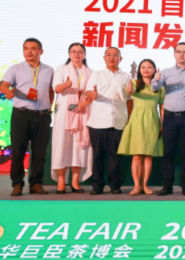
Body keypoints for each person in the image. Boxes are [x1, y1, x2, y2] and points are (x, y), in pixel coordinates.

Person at [0, 38, 54, 196]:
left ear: (41, 51)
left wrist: (49, 106)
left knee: (40, 152)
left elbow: (50, 90)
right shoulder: (15, 69)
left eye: (33, 48)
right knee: (18, 151)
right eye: (26, 48)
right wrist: (8, 92)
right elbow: (4, 85)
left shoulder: (49, 70)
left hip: (42, 116)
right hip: (21, 115)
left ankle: (36, 184)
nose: (29, 51)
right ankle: (17, 184)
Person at [151, 42, 185, 196]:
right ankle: (167, 186)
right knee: (168, 152)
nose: (182, 55)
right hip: (170, 117)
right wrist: (156, 79)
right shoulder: (165, 73)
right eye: (179, 51)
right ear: (174, 54)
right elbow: (154, 88)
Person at [85, 47, 131, 195]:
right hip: (98, 121)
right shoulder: (96, 74)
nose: (111, 57)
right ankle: (97, 185)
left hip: (118, 121)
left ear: (120, 59)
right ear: (104, 58)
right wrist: (91, 94)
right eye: (108, 55)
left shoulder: (126, 76)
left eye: (115, 55)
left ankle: (115, 185)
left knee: (115, 156)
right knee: (97, 156)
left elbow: (130, 99)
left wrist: (129, 118)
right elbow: (88, 91)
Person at [117, 59, 164, 196]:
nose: (146, 69)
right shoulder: (134, 83)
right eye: (143, 67)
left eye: (149, 67)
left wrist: (162, 124)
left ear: (154, 70)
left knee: (148, 156)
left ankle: (145, 185)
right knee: (137, 155)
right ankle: (136, 186)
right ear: (139, 70)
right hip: (137, 121)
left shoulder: (160, 87)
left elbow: (162, 107)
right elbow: (128, 93)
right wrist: (129, 91)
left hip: (152, 121)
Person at [51, 42, 93, 194]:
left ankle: (75, 181)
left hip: (83, 112)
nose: (77, 54)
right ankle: (61, 181)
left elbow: (92, 93)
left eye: (80, 52)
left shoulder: (90, 72)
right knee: (62, 146)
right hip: (64, 114)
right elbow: (56, 89)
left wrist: (84, 104)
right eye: (74, 51)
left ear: (84, 54)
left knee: (79, 147)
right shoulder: (61, 69)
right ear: (69, 54)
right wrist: (66, 85)